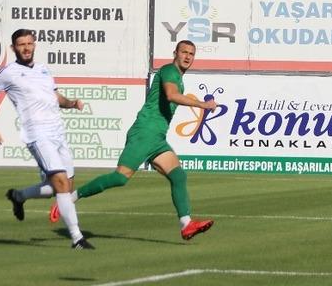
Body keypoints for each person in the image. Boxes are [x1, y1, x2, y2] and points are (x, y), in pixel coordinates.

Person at [49, 40, 217, 240]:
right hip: (145, 133)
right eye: (184, 52)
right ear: (175, 53)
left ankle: (186, 224)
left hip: (157, 137)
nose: (188, 57)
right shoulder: (170, 71)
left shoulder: (178, 76)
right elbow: (171, 95)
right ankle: (68, 199)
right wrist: (202, 104)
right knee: (120, 178)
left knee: (178, 176)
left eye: (191, 53)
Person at [0, 28, 94, 250]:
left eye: (29, 43)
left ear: (35, 45)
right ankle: (77, 238)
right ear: (13, 48)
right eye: (21, 44)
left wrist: (71, 103)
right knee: (60, 182)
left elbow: (54, 96)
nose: (26, 48)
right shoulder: (7, 73)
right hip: (37, 134)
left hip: (58, 132)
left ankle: (19, 196)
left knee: (64, 188)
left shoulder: (42, 70)